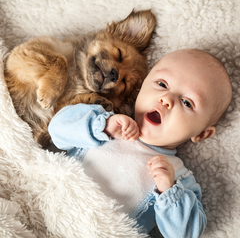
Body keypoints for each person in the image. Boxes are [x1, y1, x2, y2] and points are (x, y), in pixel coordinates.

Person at [48, 49, 232, 238]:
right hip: (48, 205)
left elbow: (186, 234)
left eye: (187, 102)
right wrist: (102, 127)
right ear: (144, 84)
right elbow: (56, 130)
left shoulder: (178, 179)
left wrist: (168, 191)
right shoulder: (103, 122)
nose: (166, 99)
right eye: (162, 84)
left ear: (201, 134)